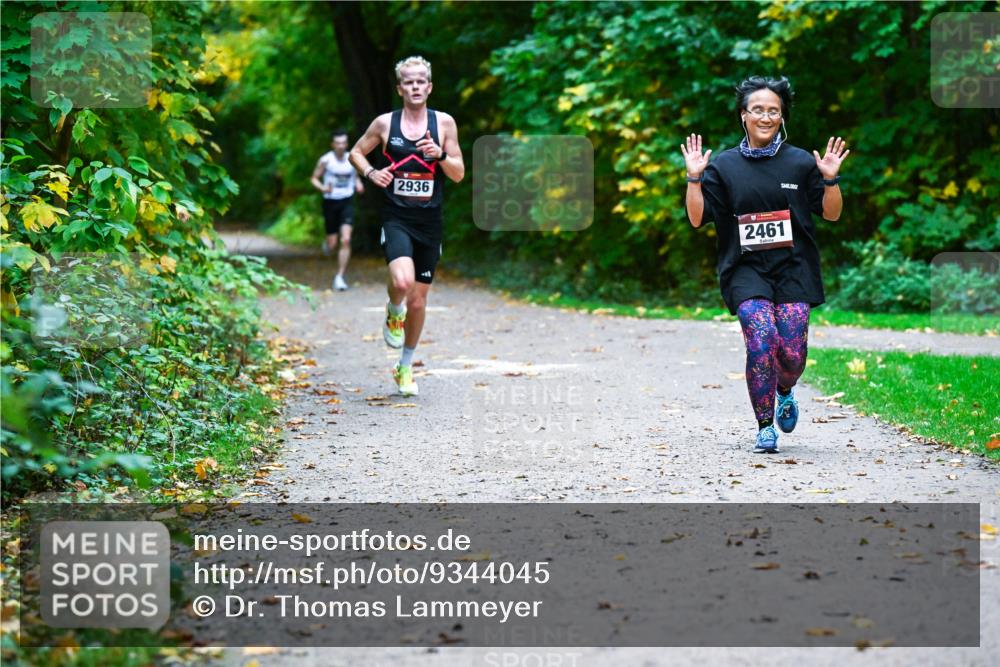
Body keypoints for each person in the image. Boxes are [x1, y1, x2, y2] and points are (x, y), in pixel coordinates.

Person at [682, 75, 849, 454]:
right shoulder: (723, 165)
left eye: (773, 110)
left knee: (792, 355)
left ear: (782, 117)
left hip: (794, 268)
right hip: (745, 270)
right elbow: (697, 218)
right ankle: (764, 426)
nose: (765, 116)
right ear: (744, 115)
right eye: (758, 109)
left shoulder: (800, 161)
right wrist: (694, 177)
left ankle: (785, 388)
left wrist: (831, 179)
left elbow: (831, 214)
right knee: (761, 340)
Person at [348, 56, 464, 396]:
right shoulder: (385, 124)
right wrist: (371, 172)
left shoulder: (443, 124)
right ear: (400, 88)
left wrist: (440, 155)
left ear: (429, 87)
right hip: (397, 217)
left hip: (430, 221)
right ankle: (392, 310)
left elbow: (458, 174)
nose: (415, 87)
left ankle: (405, 366)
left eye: (421, 81)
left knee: (419, 300)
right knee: (401, 282)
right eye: (408, 82)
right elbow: (356, 152)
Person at [312, 129, 364, 291]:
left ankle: (339, 277)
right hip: (330, 202)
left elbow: (355, 176)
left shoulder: (352, 158)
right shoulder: (326, 160)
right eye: (338, 143)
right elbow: (314, 178)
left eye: (343, 142)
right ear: (333, 144)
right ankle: (328, 244)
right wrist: (322, 188)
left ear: (347, 144)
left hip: (347, 201)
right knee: (333, 243)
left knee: (346, 239)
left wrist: (358, 183)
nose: (341, 146)